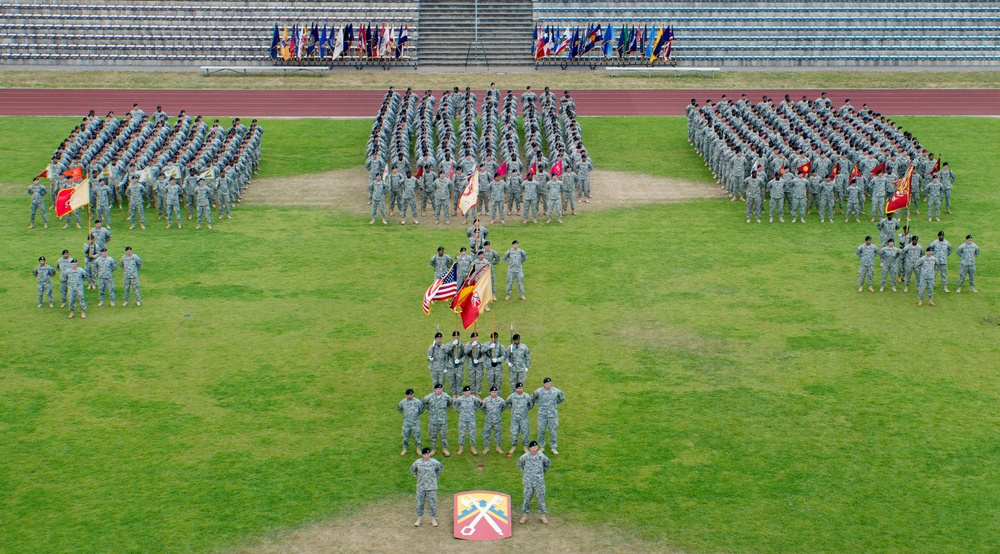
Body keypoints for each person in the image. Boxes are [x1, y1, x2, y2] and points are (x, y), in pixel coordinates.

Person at [517, 441, 551, 525]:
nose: (534, 449)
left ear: (537, 448)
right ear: (529, 448)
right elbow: (519, 463)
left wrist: (542, 472)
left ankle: (542, 515)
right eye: (532, 448)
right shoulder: (525, 456)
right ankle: (525, 515)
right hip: (528, 482)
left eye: (535, 448)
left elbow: (548, 463)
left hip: (539, 482)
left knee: (540, 499)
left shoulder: (541, 456)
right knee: (527, 498)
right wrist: (525, 472)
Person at [410, 447, 443, 527]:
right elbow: (412, 470)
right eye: (425, 454)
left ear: (429, 454)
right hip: (421, 487)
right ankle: (419, 518)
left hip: (431, 487)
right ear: (422, 455)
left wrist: (434, 477)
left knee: (432, 503)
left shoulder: (434, 462)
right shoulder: (418, 463)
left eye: (427, 454)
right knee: (420, 503)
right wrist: (418, 477)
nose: (426, 456)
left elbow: (440, 469)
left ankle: (433, 519)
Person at [533, 377, 565, 455]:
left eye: (549, 383)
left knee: (553, 431)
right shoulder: (539, 391)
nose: (548, 385)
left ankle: (553, 447)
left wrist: (554, 403)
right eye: (547, 383)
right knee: (541, 430)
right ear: (544, 384)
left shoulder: (556, 391)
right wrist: (540, 402)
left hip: (552, 415)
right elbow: (533, 398)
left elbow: (562, 398)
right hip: (542, 415)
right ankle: (541, 446)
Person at [422, 383, 452, 457]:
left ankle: (444, 448)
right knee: (433, 434)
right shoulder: (430, 396)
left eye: (440, 389)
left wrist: (444, 409)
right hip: (433, 420)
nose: (438, 390)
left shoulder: (446, 396)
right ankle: (434, 448)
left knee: (443, 435)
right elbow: (424, 402)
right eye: (437, 389)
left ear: (442, 389)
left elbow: (450, 403)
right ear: (434, 389)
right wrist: (429, 408)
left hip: (443, 420)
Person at [506, 382, 534, 457]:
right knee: (514, 433)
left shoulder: (526, 396)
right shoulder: (512, 396)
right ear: (515, 389)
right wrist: (513, 409)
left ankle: (525, 446)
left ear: (523, 388)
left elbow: (531, 404)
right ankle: (513, 446)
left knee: (525, 432)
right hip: (515, 419)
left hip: (524, 418)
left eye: (521, 388)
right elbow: (507, 403)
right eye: (518, 388)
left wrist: (525, 410)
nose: (519, 389)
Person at [453, 386, 482, 455]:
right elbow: (455, 404)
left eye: (468, 392)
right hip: (463, 418)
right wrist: (460, 410)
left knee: (472, 433)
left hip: (471, 418)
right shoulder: (460, 399)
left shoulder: (473, 398)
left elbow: (479, 404)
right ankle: (461, 448)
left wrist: (473, 409)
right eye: (466, 392)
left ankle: (473, 447)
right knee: (462, 433)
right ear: (463, 392)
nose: (467, 393)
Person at [398, 388, 425, 456]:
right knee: (405, 435)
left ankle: (418, 449)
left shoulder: (418, 402)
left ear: (413, 394)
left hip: (415, 422)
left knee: (417, 435)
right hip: (406, 422)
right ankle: (404, 449)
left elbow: (421, 409)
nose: (409, 396)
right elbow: (400, 409)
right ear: (406, 395)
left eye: (411, 394)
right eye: (408, 395)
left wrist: (416, 415)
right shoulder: (402, 402)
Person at [480, 386, 506, 455]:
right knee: (486, 434)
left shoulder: (501, 400)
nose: (493, 393)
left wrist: (498, 413)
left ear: (497, 392)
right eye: (492, 392)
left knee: (498, 434)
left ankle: (498, 447)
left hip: (497, 421)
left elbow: (504, 407)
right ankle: (486, 447)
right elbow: (482, 407)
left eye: (495, 392)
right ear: (490, 393)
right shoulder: (486, 400)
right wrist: (487, 413)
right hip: (488, 421)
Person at [465, 331, 485, 396]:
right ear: (471, 338)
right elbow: (465, 351)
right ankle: (473, 393)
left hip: (479, 366)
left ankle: (478, 394)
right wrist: (471, 346)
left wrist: (479, 361)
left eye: (476, 337)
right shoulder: (468, 345)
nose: (475, 338)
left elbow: (484, 357)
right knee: (472, 380)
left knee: (479, 380)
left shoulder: (481, 346)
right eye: (473, 337)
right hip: (471, 366)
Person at [447, 331, 466, 399]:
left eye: (457, 337)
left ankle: (459, 394)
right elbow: (446, 350)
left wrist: (460, 361)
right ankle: (454, 394)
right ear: (453, 337)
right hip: (451, 366)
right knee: (452, 380)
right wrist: (453, 344)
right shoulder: (449, 344)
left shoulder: (462, 345)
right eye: (455, 337)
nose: (456, 338)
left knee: (459, 380)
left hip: (459, 366)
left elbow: (464, 356)